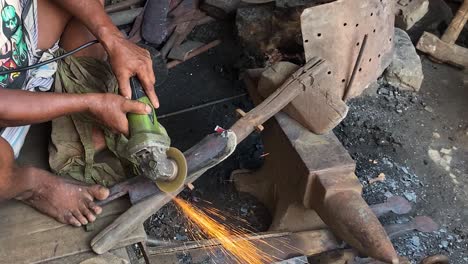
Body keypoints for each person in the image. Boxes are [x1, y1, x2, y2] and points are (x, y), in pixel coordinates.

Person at [0, 0, 159, 227]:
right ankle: (31, 186)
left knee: (88, 10)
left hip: (17, 50)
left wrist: (113, 39)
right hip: (5, 111)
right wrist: (90, 103)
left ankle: (86, 124)